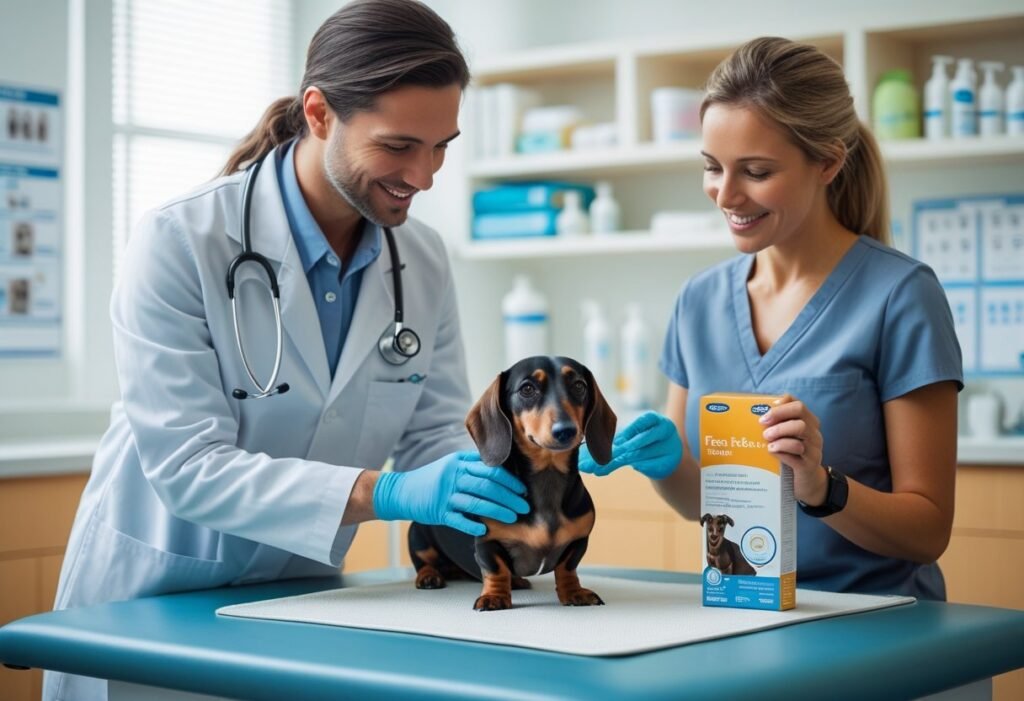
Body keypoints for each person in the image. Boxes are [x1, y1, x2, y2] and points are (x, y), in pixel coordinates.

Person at [46, 3, 531, 699]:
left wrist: (520, 475)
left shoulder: (420, 259)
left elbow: (432, 438)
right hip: (153, 604)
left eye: (441, 147)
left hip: (302, 603)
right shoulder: (181, 240)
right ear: (320, 113)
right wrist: (385, 492)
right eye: (399, 146)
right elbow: (188, 467)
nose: (424, 176)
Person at [580, 37, 962, 601]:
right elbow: (703, 502)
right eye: (712, 167)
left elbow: (927, 530)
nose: (725, 195)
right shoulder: (699, 301)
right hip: (741, 607)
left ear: (828, 162)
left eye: (755, 171)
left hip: (874, 618)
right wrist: (668, 464)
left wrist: (821, 487)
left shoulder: (900, 296)